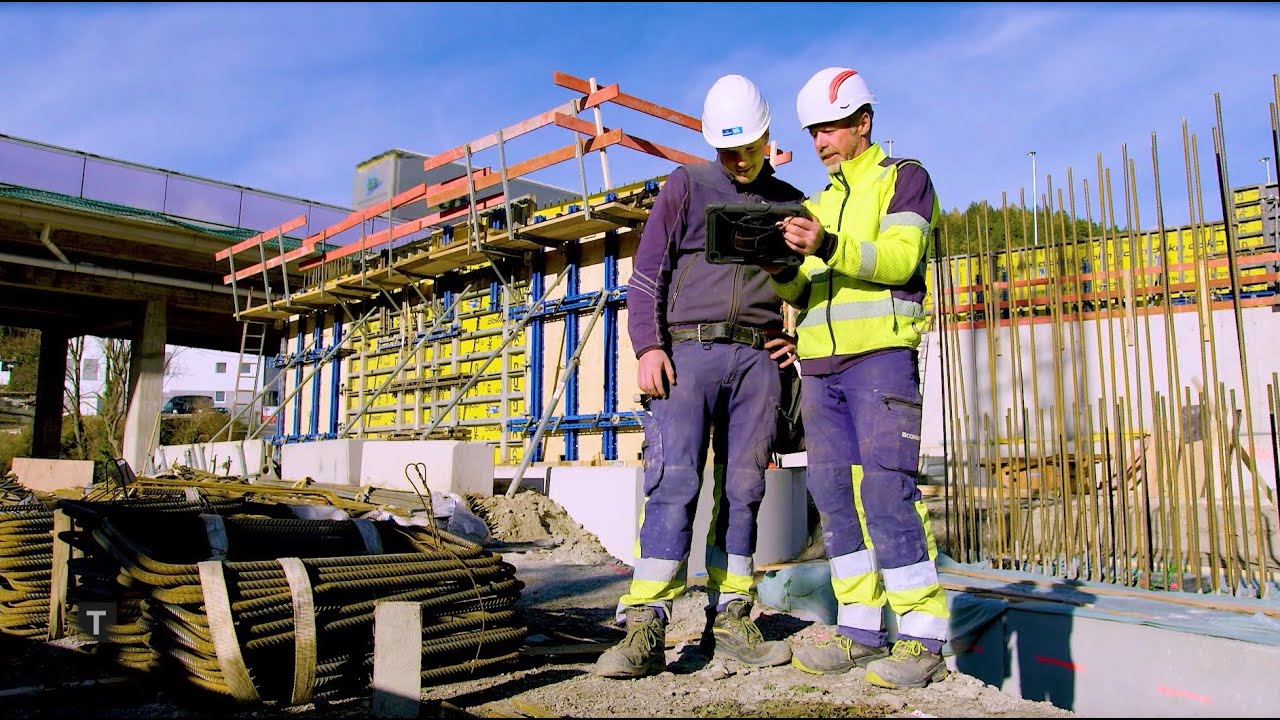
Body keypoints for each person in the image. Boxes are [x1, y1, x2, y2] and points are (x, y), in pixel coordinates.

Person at [593, 74, 803, 679]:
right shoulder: (685, 185)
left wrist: (796, 336)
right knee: (675, 482)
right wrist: (647, 346)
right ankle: (647, 625)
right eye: (726, 150)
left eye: (748, 147)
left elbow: (807, 287)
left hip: (757, 364)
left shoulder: (790, 200)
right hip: (686, 358)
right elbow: (648, 273)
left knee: (744, 490)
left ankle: (733, 614)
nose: (737, 160)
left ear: (767, 136)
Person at [765, 67, 951, 689]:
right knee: (835, 496)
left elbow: (901, 259)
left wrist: (830, 243)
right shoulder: (815, 204)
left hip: (880, 361)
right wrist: (779, 269)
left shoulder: (905, 180)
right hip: (821, 368)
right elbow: (805, 287)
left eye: (830, 127)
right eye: (813, 130)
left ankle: (922, 635)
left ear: (863, 122)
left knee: (887, 492)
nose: (820, 141)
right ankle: (860, 627)